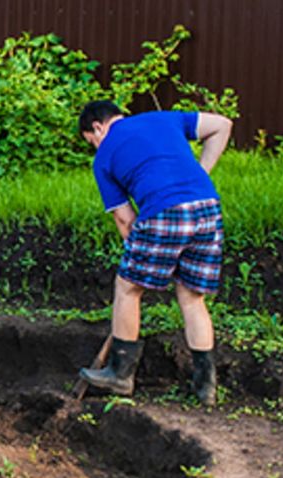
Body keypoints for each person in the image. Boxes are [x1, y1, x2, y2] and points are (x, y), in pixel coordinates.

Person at [76, 101, 233, 406]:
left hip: (163, 212)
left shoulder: (104, 156)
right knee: (191, 297)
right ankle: (206, 388)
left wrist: (141, 257)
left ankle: (120, 375)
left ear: (98, 127)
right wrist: (201, 172)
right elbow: (222, 125)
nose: (95, 147)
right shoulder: (164, 119)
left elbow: (125, 220)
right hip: (207, 208)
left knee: (128, 287)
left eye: (91, 141)